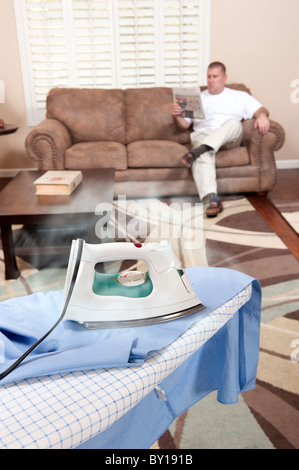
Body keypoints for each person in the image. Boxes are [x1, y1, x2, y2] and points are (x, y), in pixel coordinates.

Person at [171, 62, 271, 217]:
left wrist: (263, 115)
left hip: (228, 138)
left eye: (215, 77)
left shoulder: (239, 96)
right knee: (203, 155)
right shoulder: (197, 98)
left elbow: (260, 109)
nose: (211, 80)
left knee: (233, 123)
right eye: (209, 77)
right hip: (203, 136)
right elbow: (184, 126)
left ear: (224, 78)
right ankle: (213, 201)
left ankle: (198, 151)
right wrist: (176, 116)